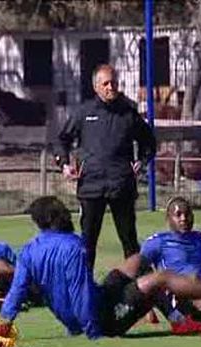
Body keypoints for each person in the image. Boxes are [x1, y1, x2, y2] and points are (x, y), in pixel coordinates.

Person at [0, 196, 201, 339]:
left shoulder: (28, 251)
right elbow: (79, 291)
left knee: (135, 261)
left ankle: (178, 320)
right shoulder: (75, 246)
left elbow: (17, 291)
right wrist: (91, 330)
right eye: (63, 212)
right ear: (55, 218)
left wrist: (4, 323)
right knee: (159, 278)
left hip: (96, 302)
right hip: (101, 318)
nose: (68, 216)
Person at [54, 64, 156, 268]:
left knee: (129, 240)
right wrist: (64, 164)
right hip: (91, 187)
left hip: (121, 185)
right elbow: (61, 140)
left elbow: (149, 142)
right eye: (106, 83)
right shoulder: (83, 113)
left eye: (114, 83)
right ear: (96, 87)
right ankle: (84, 289)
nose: (111, 87)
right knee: (88, 242)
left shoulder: (128, 113)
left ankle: (135, 290)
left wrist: (141, 162)